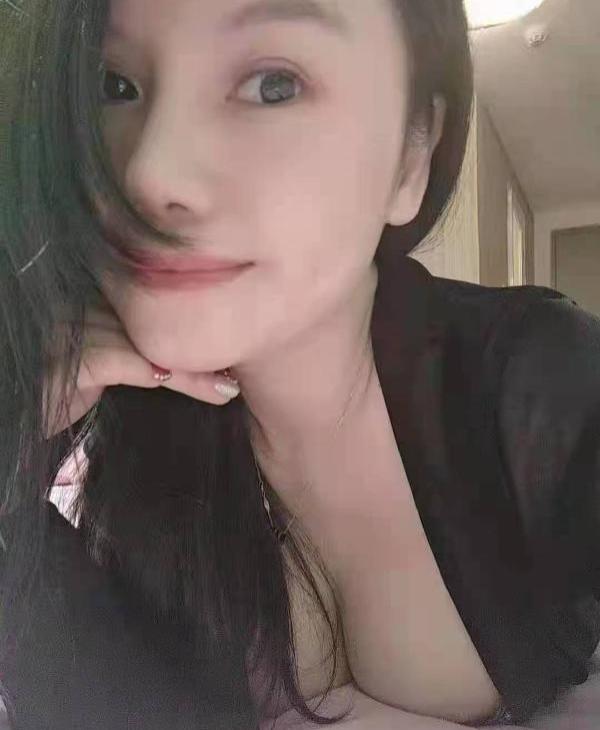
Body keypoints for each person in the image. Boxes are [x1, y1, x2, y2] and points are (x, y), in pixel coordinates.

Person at [1, 1, 599, 728]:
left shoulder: (547, 386)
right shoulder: (109, 443)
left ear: (412, 155)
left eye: (274, 85)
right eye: (113, 86)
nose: (149, 174)